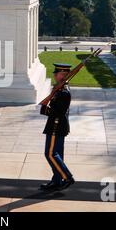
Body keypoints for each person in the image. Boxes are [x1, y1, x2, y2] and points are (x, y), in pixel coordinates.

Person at [39, 63, 75, 191]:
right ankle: (57, 181)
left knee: (50, 153)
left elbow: (57, 112)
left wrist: (44, 108)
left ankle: (67, 177)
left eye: (57, 73)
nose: (54, 74)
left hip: (56, 126)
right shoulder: (60, 89)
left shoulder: (63, 92)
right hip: (57, 125)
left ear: (63, 75)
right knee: (57, 154)